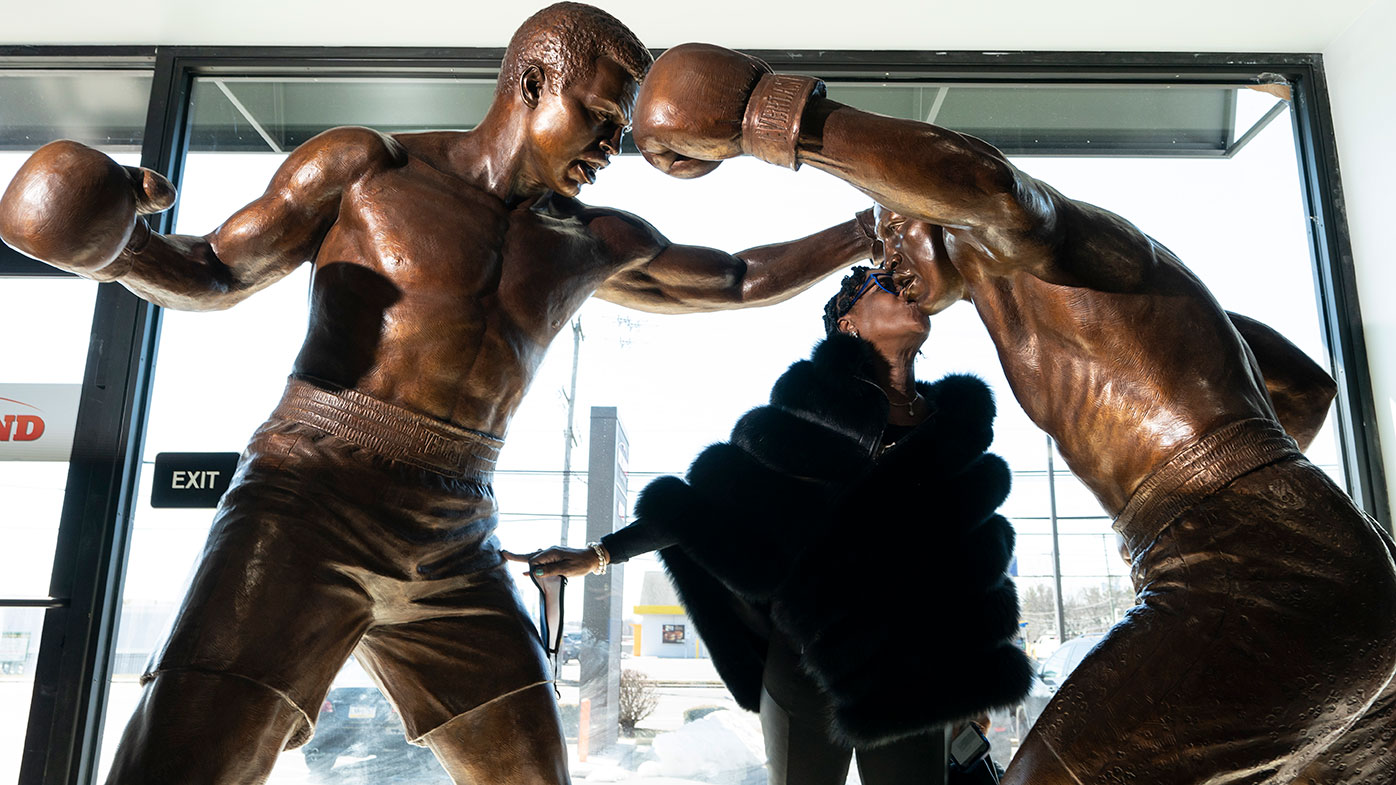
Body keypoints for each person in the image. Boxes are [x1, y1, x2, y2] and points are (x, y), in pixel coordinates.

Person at [0, 12, 881, 785]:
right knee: (181, 764)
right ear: (534, 81)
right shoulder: (368, 168)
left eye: (622, 124)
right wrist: (113, 247)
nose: (613, 143)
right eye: (602, 114)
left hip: (456, 536)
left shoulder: (590, 240)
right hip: (308, 503)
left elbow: (735, 278)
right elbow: (214, 268)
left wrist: (865, 227)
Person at [625, 43, 1396, 785]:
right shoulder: (1118, 297)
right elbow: (1304, 387)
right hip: (1337, 569)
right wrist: (1241, 497)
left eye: (893, 227)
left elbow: (986, 184)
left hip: (1251, 573)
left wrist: (759, 109)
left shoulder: (1039, 237)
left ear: (939, 203)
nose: (886, 256)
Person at [513, 265, 1029, 785]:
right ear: (848, 323)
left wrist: (975, 677)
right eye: (886, 284)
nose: (906, 287)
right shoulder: (796, 419)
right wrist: (599, 555)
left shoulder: (953, 433)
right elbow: (698, 510)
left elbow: (970, 572)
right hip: (807, 662)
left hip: (917, 669)